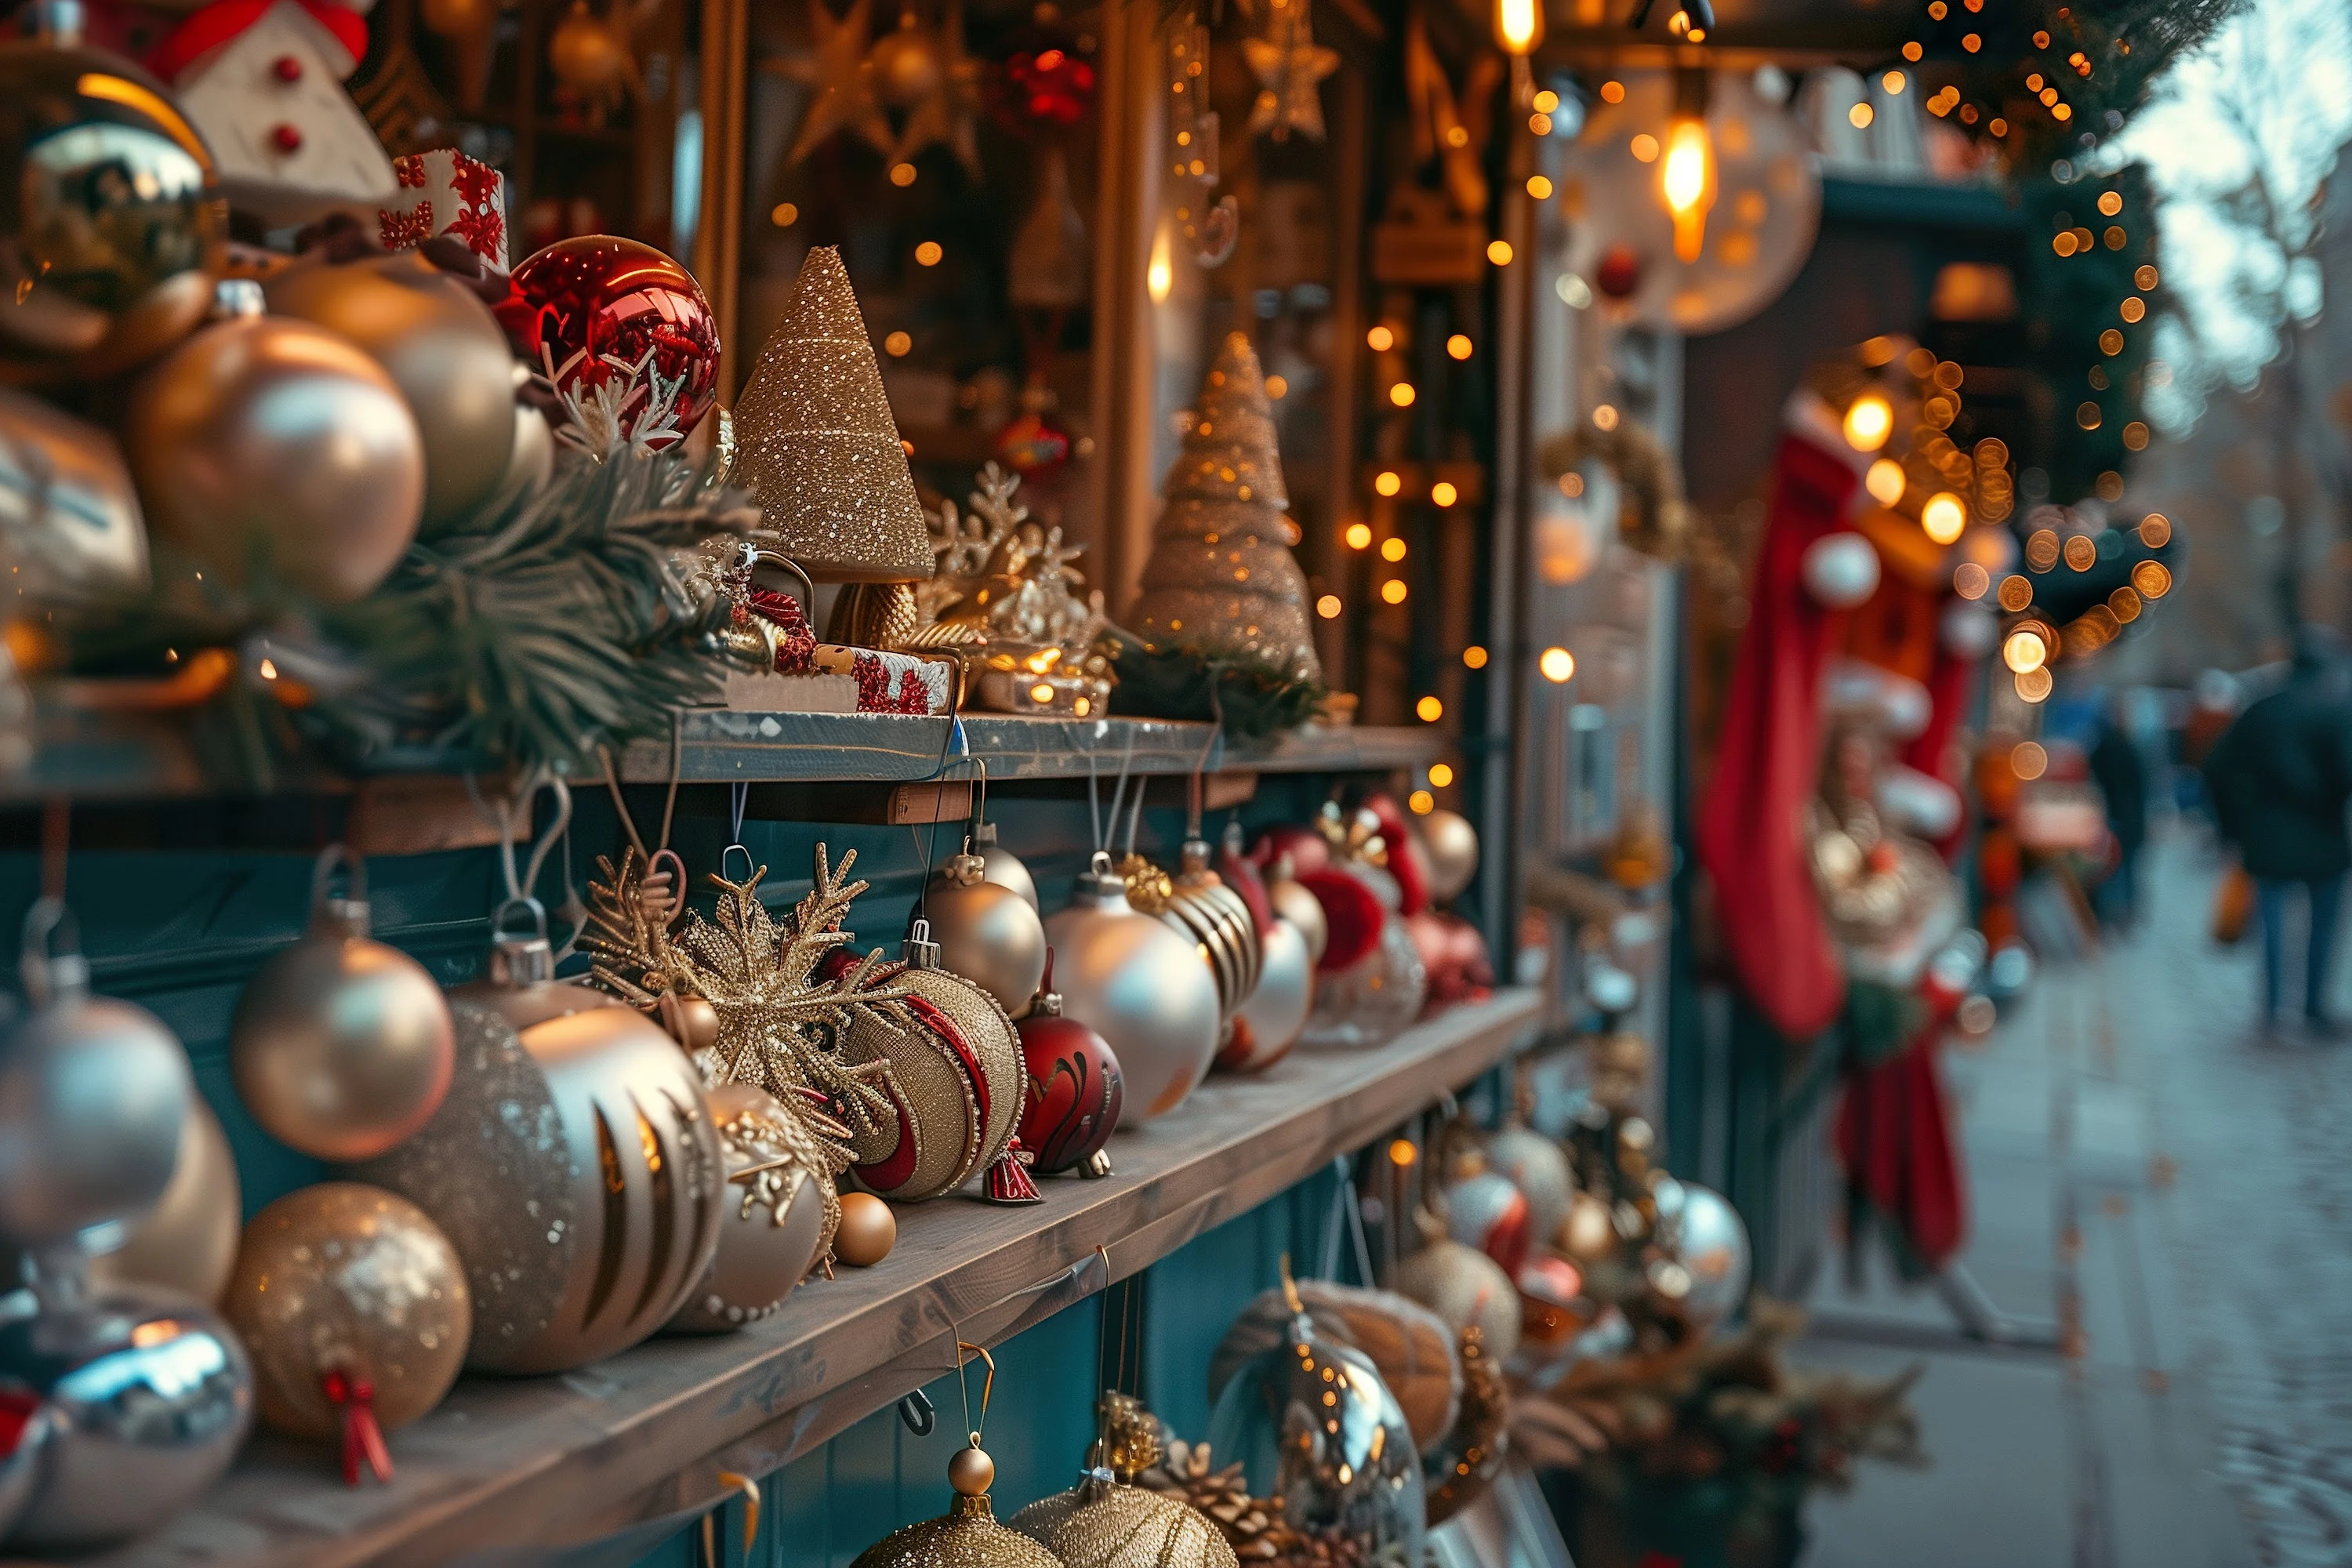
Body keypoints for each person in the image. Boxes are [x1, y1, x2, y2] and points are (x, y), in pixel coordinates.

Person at [2205, 630, 2352, 1033]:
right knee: (2322, 925)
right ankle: (2313, 1007)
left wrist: (2233, 827)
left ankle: (2271, 1008)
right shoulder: (2335, 711)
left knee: (2271, 921)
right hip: (2324, 836)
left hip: (2267, 836)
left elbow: (2217, 769)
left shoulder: (2260, 711)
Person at [2089, 692, 2150, 928]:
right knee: (2122, 868)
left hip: (2119, 816)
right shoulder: (2121, 745)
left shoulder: (2109, 744)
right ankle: (2122, 912)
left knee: (2118, 867)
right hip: (2123, 816)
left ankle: (2116, 913)